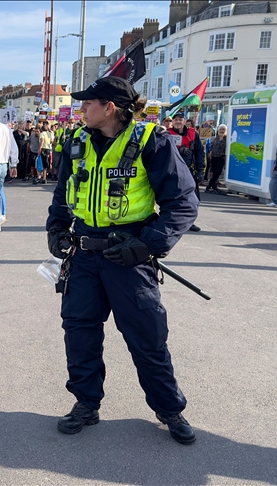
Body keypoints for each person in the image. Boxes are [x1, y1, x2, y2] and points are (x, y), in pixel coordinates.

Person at [46, 76, 199, 445]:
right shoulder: (76, 142)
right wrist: (56, 229)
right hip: (83, 258)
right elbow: (63, 193)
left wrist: (147, 246)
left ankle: (169, 409)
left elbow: (183, 203)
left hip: (128, 260)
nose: (81, 109)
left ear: (110, 107)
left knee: (147, 338)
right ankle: (86, 403)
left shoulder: (152, 142)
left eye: (88, 103)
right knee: (79, 333)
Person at [167, 113, 204, 232]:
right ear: (172, 121)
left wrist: (201, 170)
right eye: (176, 120)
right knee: (171, 198)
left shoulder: (193, 134)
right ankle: (170, 221)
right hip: (171, 171)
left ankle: (189, 222)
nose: (178, 122)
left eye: (180, 119)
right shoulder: (166, 133)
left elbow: (199, 153)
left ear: (184, 121)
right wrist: (178, 150)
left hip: (189, 170)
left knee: (192, 198)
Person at [205, 124, 228, 195]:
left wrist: (222, 138)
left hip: (221, 156)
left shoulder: (226, 138)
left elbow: (224, 147)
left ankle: (210, 184)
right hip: (214, 156)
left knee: (218, 172)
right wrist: (211, 152)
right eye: (220, 129)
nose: (221, 131)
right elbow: (213, 146)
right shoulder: (216, 137)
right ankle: (214, 185)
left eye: (223, 129)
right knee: (213, 171)